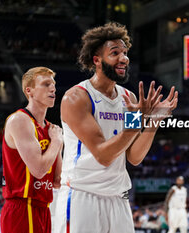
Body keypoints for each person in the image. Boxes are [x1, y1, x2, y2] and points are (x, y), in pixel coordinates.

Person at [53, 22, 178, 233]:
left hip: (118, 198)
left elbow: (134, 157)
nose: (124, 58)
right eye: (115, 53)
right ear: (97, 60)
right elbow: (103, 155)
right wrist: (136, 120)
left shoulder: (128, 98)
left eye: (125, 52)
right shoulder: (76, 98)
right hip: (82, 195)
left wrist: (154, 121)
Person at [1, 67, 63, 233]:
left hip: (44, 208)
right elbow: (39, 170)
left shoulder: (52, 130)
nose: (53, 88)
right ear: (30, 91)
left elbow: (57, 181)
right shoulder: (19, 120)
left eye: (54, 84)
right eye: (46, 84)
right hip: (22, 206)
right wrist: (56, 143)